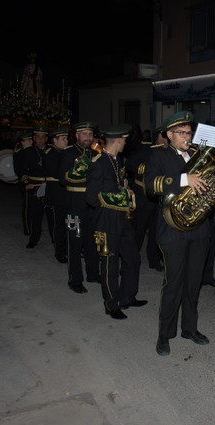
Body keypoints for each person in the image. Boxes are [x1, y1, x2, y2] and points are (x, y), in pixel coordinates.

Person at [145, 111, 211, 356]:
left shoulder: (199, 155)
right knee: (173, 283)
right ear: (169, 135)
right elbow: (151, 185)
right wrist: (185, 179)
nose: (188, 136)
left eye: (189, 132)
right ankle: (165, 333)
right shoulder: (158, 155)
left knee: (193, 283)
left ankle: (189, 328)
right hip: (172, 229)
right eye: (182, 133)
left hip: (199, 229)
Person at [86, 124, 147, 320]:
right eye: (124, 140)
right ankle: (111, 304)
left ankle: (128, 296)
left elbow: (119, 184)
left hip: (123, 218)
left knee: (132, 258)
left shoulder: (117, 160)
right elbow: (92, 197)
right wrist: (120, 195)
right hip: (106, 220)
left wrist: (126, 191)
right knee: (110, 262)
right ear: (118, 141)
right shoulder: (98, 162)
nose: (125, 143)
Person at [59, 121, 102, 294]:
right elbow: (62, 179)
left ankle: (93, 273)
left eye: (90, 134)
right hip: (74, 205)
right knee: (74, 243)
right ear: (76, 136)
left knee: (92, 241)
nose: (88, 137)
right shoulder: (68, 153)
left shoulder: (96, 152)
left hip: (92, 205)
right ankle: (75, 279)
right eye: (84, 134)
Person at [125, 126, 164, 271]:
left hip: (159, 197)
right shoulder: (145, 148)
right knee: (138, 231)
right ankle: (132, 260)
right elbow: (129, 163)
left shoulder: (169, 151)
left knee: (155, 231)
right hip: (142, 196)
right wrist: (146, 169)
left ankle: (153, 260)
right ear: (160, 135)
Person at [20, 127, 51, 249]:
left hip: (50, 187)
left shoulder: (52, 150)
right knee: (36, 216)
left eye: (43, 137)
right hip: (35, 187)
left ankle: (55, 239)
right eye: (38, 137)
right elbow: (21, 170)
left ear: (46, 138)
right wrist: (26, 182)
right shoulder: (28, 152)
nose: (40, 139)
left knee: (52, 216)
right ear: (34, 138)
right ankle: (33, 239)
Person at [43, 126, 69, 263]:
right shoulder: (50, 153)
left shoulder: (64, 153)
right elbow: (57, 172)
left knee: (68, 223)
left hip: (66, 193)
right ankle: (60, 252)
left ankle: (67, 248)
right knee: (58, 224)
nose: (66, 141)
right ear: (55, 140)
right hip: (56, 194)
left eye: (66, 138)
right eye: (63, 139)